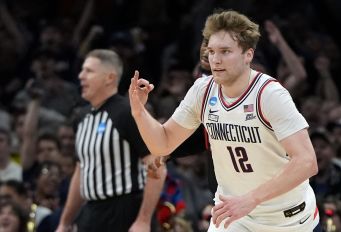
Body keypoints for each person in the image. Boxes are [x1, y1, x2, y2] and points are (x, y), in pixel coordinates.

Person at [129, 10, 319, 231]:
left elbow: (306, 162)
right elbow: (162, 144)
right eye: (211, 51)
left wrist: (251, 199)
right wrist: (139, 112)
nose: (215, 60)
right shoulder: (202, 90)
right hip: (232, 212)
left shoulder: (269, 95)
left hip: (285, 217)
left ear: (248, 55)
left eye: (225, 51)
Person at [56, 49, 166, 232]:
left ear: (109, 78)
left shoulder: (127, 112)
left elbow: (157, 165)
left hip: (124, 210)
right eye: (82, 70)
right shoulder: (81, 117)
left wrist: (143, 220)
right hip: (91, 211)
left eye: (89, 71)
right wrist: (64, 222)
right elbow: (81, 170)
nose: (81, 76)